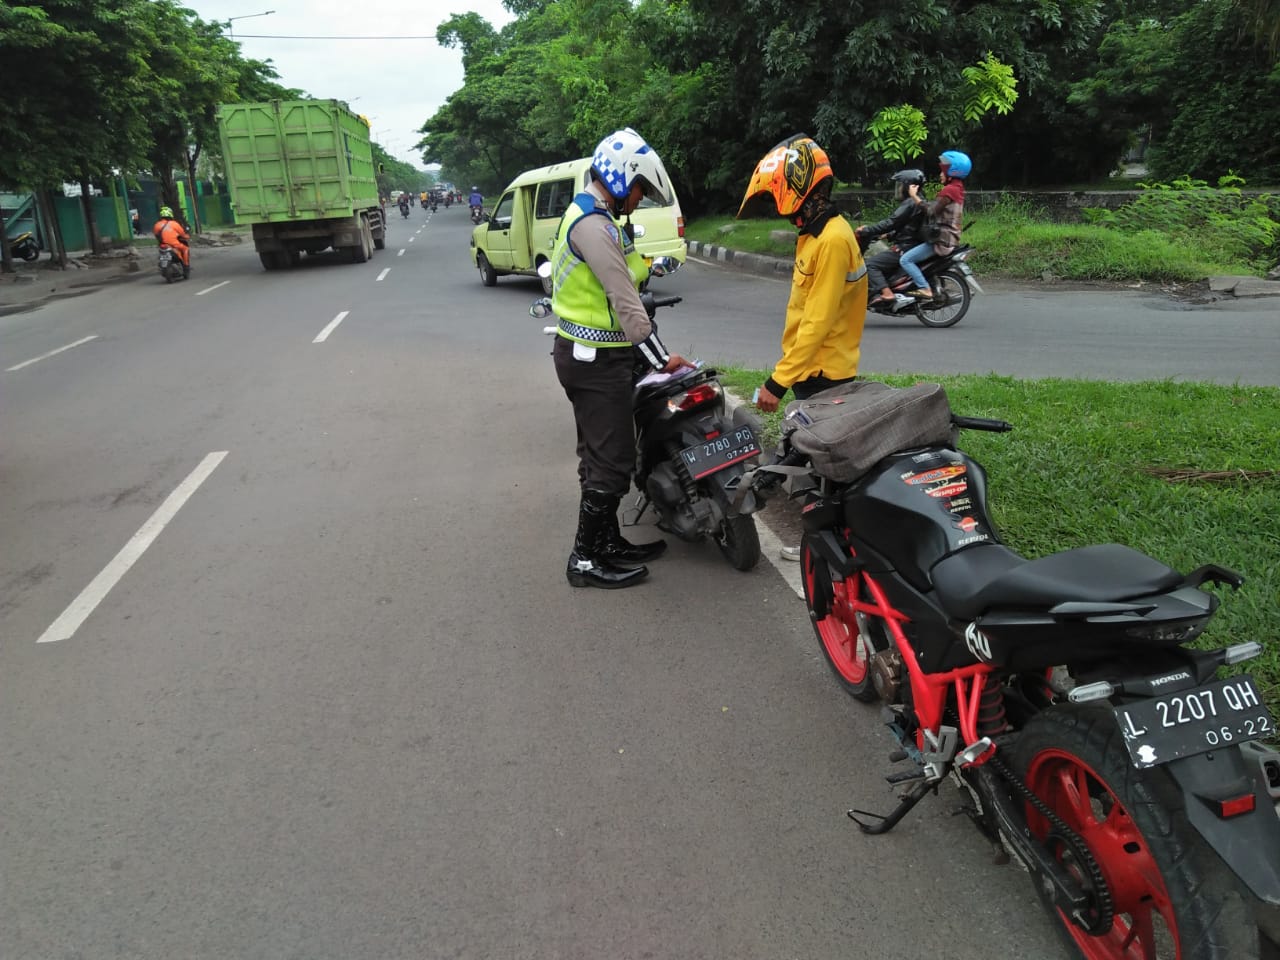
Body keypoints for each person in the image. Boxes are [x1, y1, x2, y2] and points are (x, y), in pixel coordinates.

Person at [550, 127, 689, 589]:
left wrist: (653, 266)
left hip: (594, 357)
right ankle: (585, 559)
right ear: (620, 177)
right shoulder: (593, 226)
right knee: (611, 461)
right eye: (639, 187)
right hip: (594, 361)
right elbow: (624, 301)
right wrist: (662, 358)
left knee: (599, 454)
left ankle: (607, 542)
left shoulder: (598, 216)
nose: (640, 197)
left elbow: (629, 271)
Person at [736, 134, 868, 561]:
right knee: (819, 462)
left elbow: (817, 323)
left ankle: (827, 547)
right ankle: (827, 541)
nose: (776, 205)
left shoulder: (831, 240)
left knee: (824, 463)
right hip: (813, 369)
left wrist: (777, 381)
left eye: (776, 195)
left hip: (823, 372)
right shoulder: (814, 235)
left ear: (797, 189)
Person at [897, 150, 970, 298]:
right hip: (950, 238)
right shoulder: (958, 188)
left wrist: (914, 196)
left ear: (951, 172)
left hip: (941, 240)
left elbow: (931, 211)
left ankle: (925, 288)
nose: (940, 174)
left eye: (943, 171)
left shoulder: (949, 191)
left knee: (906, 260)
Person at [856, 169, 929, 303]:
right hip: (912, 243)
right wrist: (886, 235)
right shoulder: (919, 201)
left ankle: (887, 293)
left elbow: (891, 222)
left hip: (905, 247)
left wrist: (867, 230)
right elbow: (908, 226)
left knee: (870, 265)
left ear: (908, 186)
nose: (899, 189)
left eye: (901, 185)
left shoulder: (910, 203)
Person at [152, 205, 190, 278]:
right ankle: (186, 266)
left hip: (162, 246)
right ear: (170, 214)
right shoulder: (174, 224)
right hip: (174, 245)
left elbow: (156, 235)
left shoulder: (156, 225)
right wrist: (187, 236)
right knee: (185, 249)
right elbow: (183, 234)